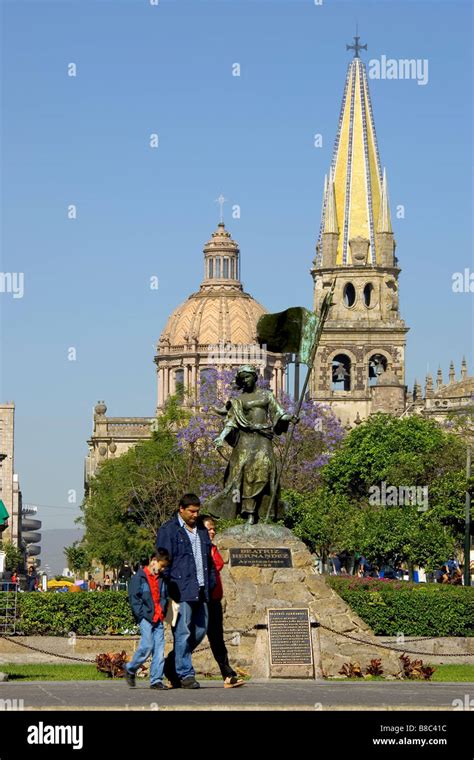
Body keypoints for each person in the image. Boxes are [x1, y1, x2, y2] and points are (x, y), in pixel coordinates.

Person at [157, 493, 216, 689]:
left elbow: (208, 560)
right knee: (182, 632)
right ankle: (185, 673)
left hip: (201, 588)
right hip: (180, 591)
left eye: (197, 511)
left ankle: (173, 663)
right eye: (191, 511)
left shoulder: (200, 530)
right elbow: (163, 563)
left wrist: (211, 582)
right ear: (181, 509)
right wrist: (169, 589)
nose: (194, 514)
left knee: (200, 630)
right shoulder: (168, 530)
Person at [201, 516, 244, 688]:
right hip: (201, 600)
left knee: (217, 638)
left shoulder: (212, 548)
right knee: (190, 637)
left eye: (213, 529)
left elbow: (218, 565)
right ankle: (172, 670)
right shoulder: (198, 551)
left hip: (214, 599)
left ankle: (227, 674)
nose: (212, 532)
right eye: (209, 529)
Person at [124, 550, 170, 690]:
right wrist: (141, 615)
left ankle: (156, 680)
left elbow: (164, 596)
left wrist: (162, 609)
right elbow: (134, 599)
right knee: (147, 645)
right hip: (145, 617)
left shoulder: (162, 579)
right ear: (154, 561)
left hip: (158, 617)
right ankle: (130, 668)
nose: (162, 570)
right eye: (161, 566)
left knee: (159, 650)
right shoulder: (138, 578)